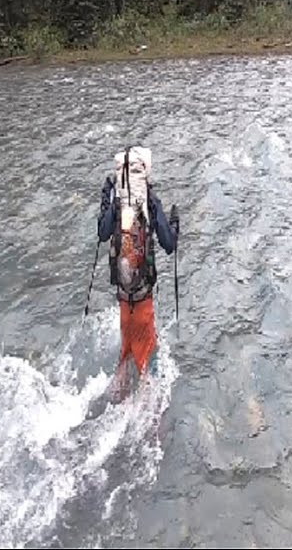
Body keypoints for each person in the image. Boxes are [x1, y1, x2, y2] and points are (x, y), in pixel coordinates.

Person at [97, 147, 178, 397]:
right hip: (143, 302)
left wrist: (110, 201)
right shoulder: (149, 201)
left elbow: (102, 233)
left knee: (125, 357)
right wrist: (175, 222)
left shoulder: (114, 199)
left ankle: (117, 399)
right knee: (147, 371)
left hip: (123, 300)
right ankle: (153, 427)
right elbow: (168, 244)